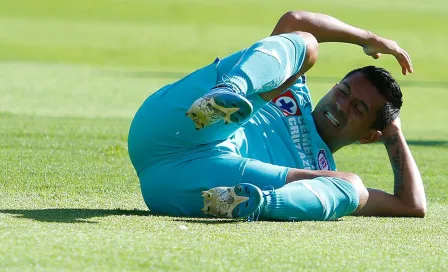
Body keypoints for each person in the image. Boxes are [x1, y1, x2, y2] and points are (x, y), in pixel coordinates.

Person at [128, 11, 426, 221]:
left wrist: (393, 132)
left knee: (352, 186)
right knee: (306, 44)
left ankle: (255, 202)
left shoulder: (320, 179)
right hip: (176, 125)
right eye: (344, 92)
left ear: (368, 136)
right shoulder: (291, 88)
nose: (341, 105)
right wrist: (367, 38)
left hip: (203, 186)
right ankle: (227, 92)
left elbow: (411, 205)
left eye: (358, 108)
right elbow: (295, 21)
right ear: (335, 87)